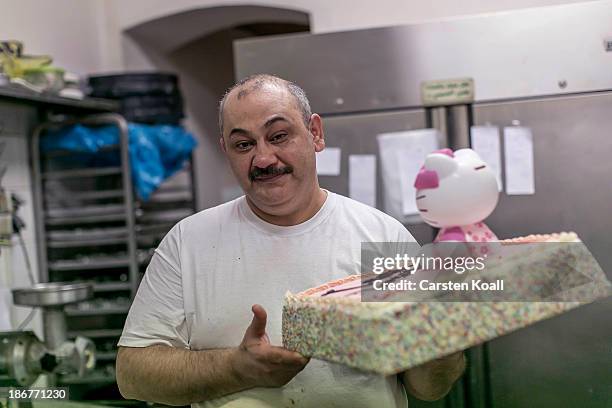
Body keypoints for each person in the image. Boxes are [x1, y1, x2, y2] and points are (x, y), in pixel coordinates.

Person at [116, 74, 465, 407]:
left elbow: (429, 389)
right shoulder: (187, 242)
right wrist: (235, 369)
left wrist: (443, 337)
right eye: (244, 145)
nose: (264, 158)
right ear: (227, 151)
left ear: (315, 133)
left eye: (279, 135)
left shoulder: (381, 237)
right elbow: (133, 376)